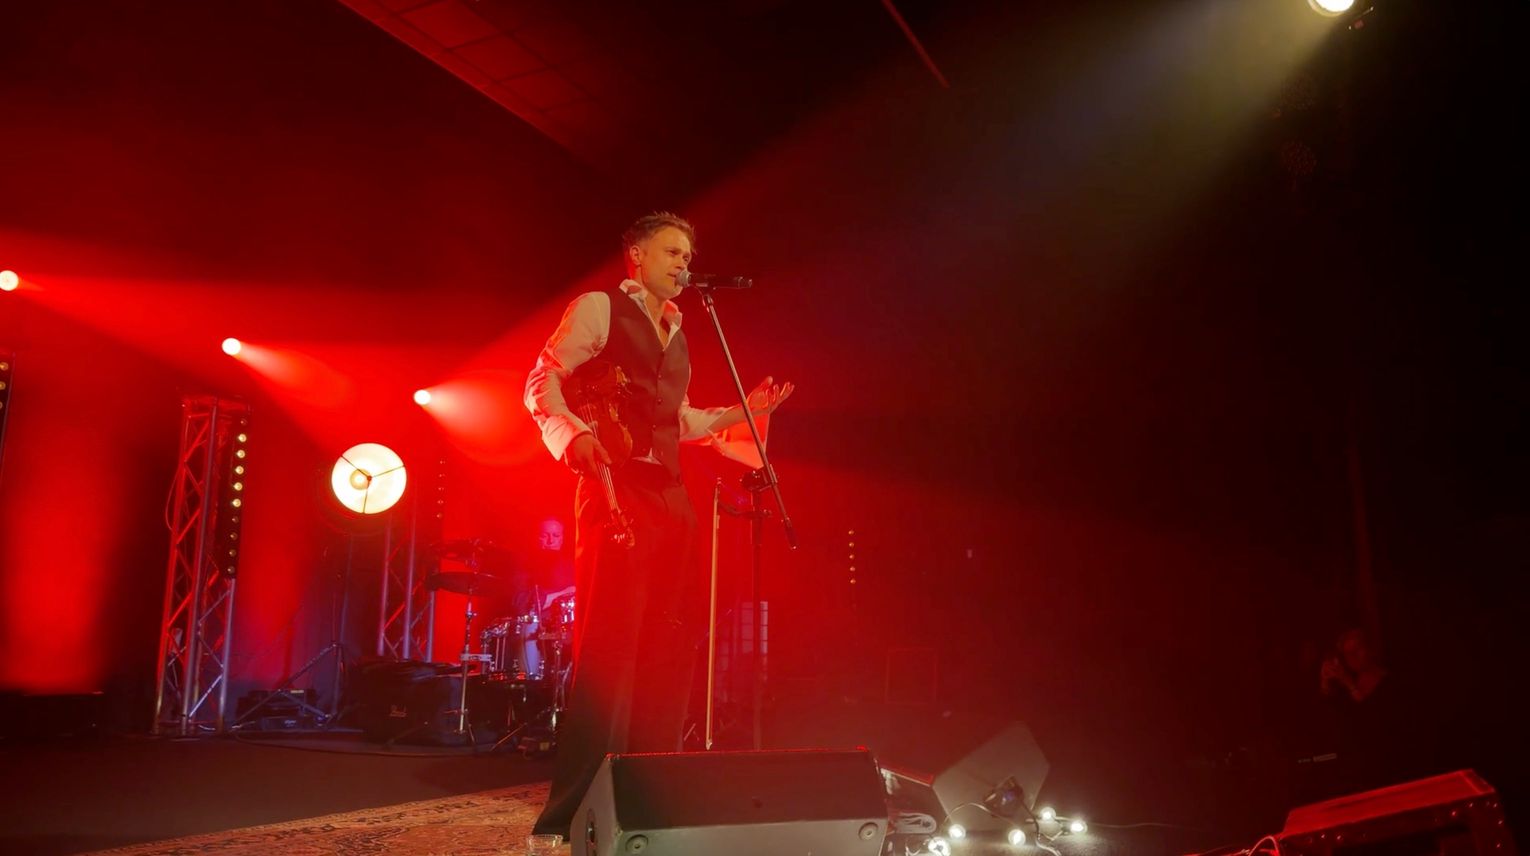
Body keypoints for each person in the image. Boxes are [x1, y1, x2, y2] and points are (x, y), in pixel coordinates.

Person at [524, 212, 793, 837]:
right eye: (672, 252)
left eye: (688, 256)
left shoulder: (679, 330)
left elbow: (678, 419)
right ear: (637, 256)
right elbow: (543, 381)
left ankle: (648, 795)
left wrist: (741, 413)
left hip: (671, 499)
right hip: (616, 489)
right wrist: (573, 435)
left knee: (669, 646)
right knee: (610, 648)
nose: (683, 265)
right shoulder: (599, 308)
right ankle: (577, 808)